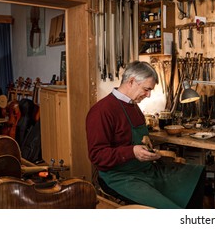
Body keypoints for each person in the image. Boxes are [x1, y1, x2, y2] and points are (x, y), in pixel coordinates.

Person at [86, 61, 204, 209]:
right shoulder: (102, 111)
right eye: (146, 89)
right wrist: (132, 152)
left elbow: (141, 141)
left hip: (146, 170)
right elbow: (97, 156)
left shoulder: (134, 106)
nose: (148, 95)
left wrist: (150, 153)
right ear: (131, 81)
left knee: (195, 174)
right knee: (169, 209)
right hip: (120, 177)